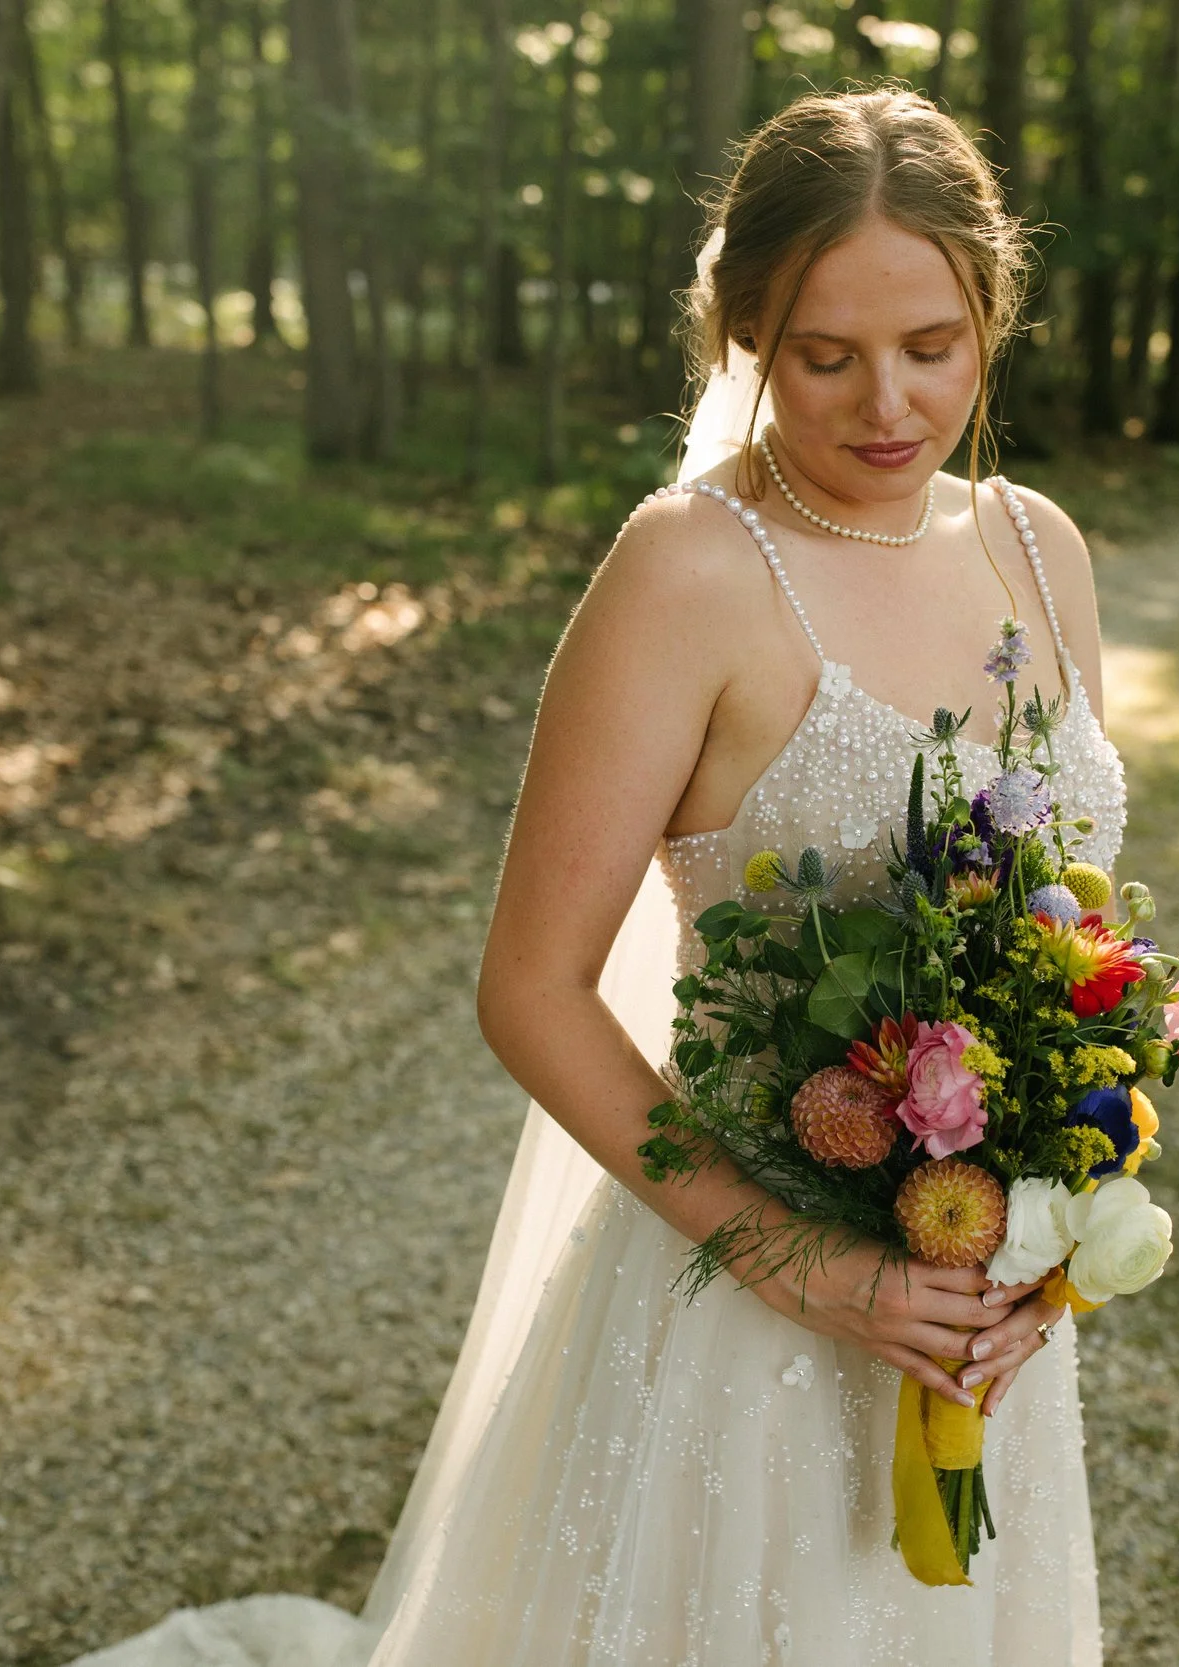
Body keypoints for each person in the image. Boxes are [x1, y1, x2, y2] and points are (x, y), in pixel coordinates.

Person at [72, 84, 1125, 1667]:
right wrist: (814, 1268)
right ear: (743, 333)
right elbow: (531, 986)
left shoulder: (1039, 548)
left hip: (982, 1318)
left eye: (935, 344)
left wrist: (1056, 1217)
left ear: (995, 312)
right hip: (746, 1322)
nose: (888, 403)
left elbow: (1077, 931)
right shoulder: (690, 570)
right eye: (825, 354)